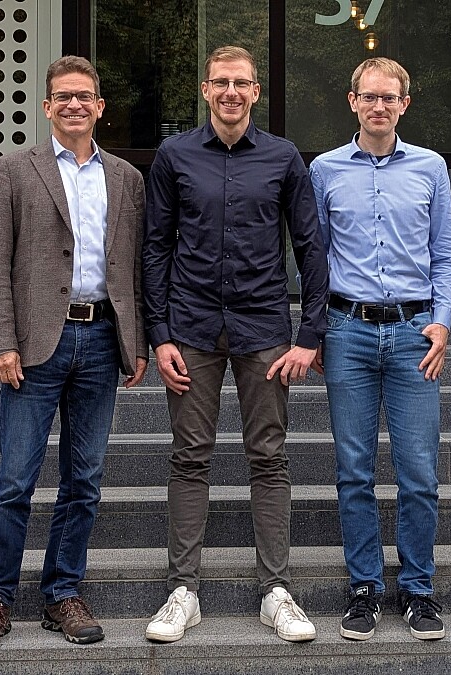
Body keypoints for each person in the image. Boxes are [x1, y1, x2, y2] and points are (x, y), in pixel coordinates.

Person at [142, 45, 329, 644]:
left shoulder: (282, 159)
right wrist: (159, 333)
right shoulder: (174, 156)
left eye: (240, 83)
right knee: (189, 455)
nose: (230, 92)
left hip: (264, 332)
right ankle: (183, 591)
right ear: (205, 90)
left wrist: (309, 335)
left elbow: (311, 247)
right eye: (220, 82)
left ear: (254, 91)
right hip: (192, 328)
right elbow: (155, 246)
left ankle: (276, 590)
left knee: (269, 458)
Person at [0, 55, 148, 652]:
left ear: (99, 108)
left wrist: (135, 340)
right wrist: (0, 342)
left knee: (84, 480)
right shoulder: (15, 170)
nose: (74, 104)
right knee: (15, 480)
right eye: (62, 96)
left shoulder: (126, 178)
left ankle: (62, 593)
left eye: (84, 96)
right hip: (34, 348)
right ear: (47, 107)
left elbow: (136, 269)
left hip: (99, 340)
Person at [309, 57, 451, 642]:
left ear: (404, 103)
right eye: (368, 97)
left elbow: (445, 253)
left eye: (388, 98)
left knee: (419, 470)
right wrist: (314, 328)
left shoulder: (430, 169)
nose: (378, 106)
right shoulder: (324, 169)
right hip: (346, 330)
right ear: (352, 102)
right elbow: (314, 256)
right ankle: (365, 586)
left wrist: (443, 322)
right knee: (354, 470)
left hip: (414, 333)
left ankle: (418, 588)